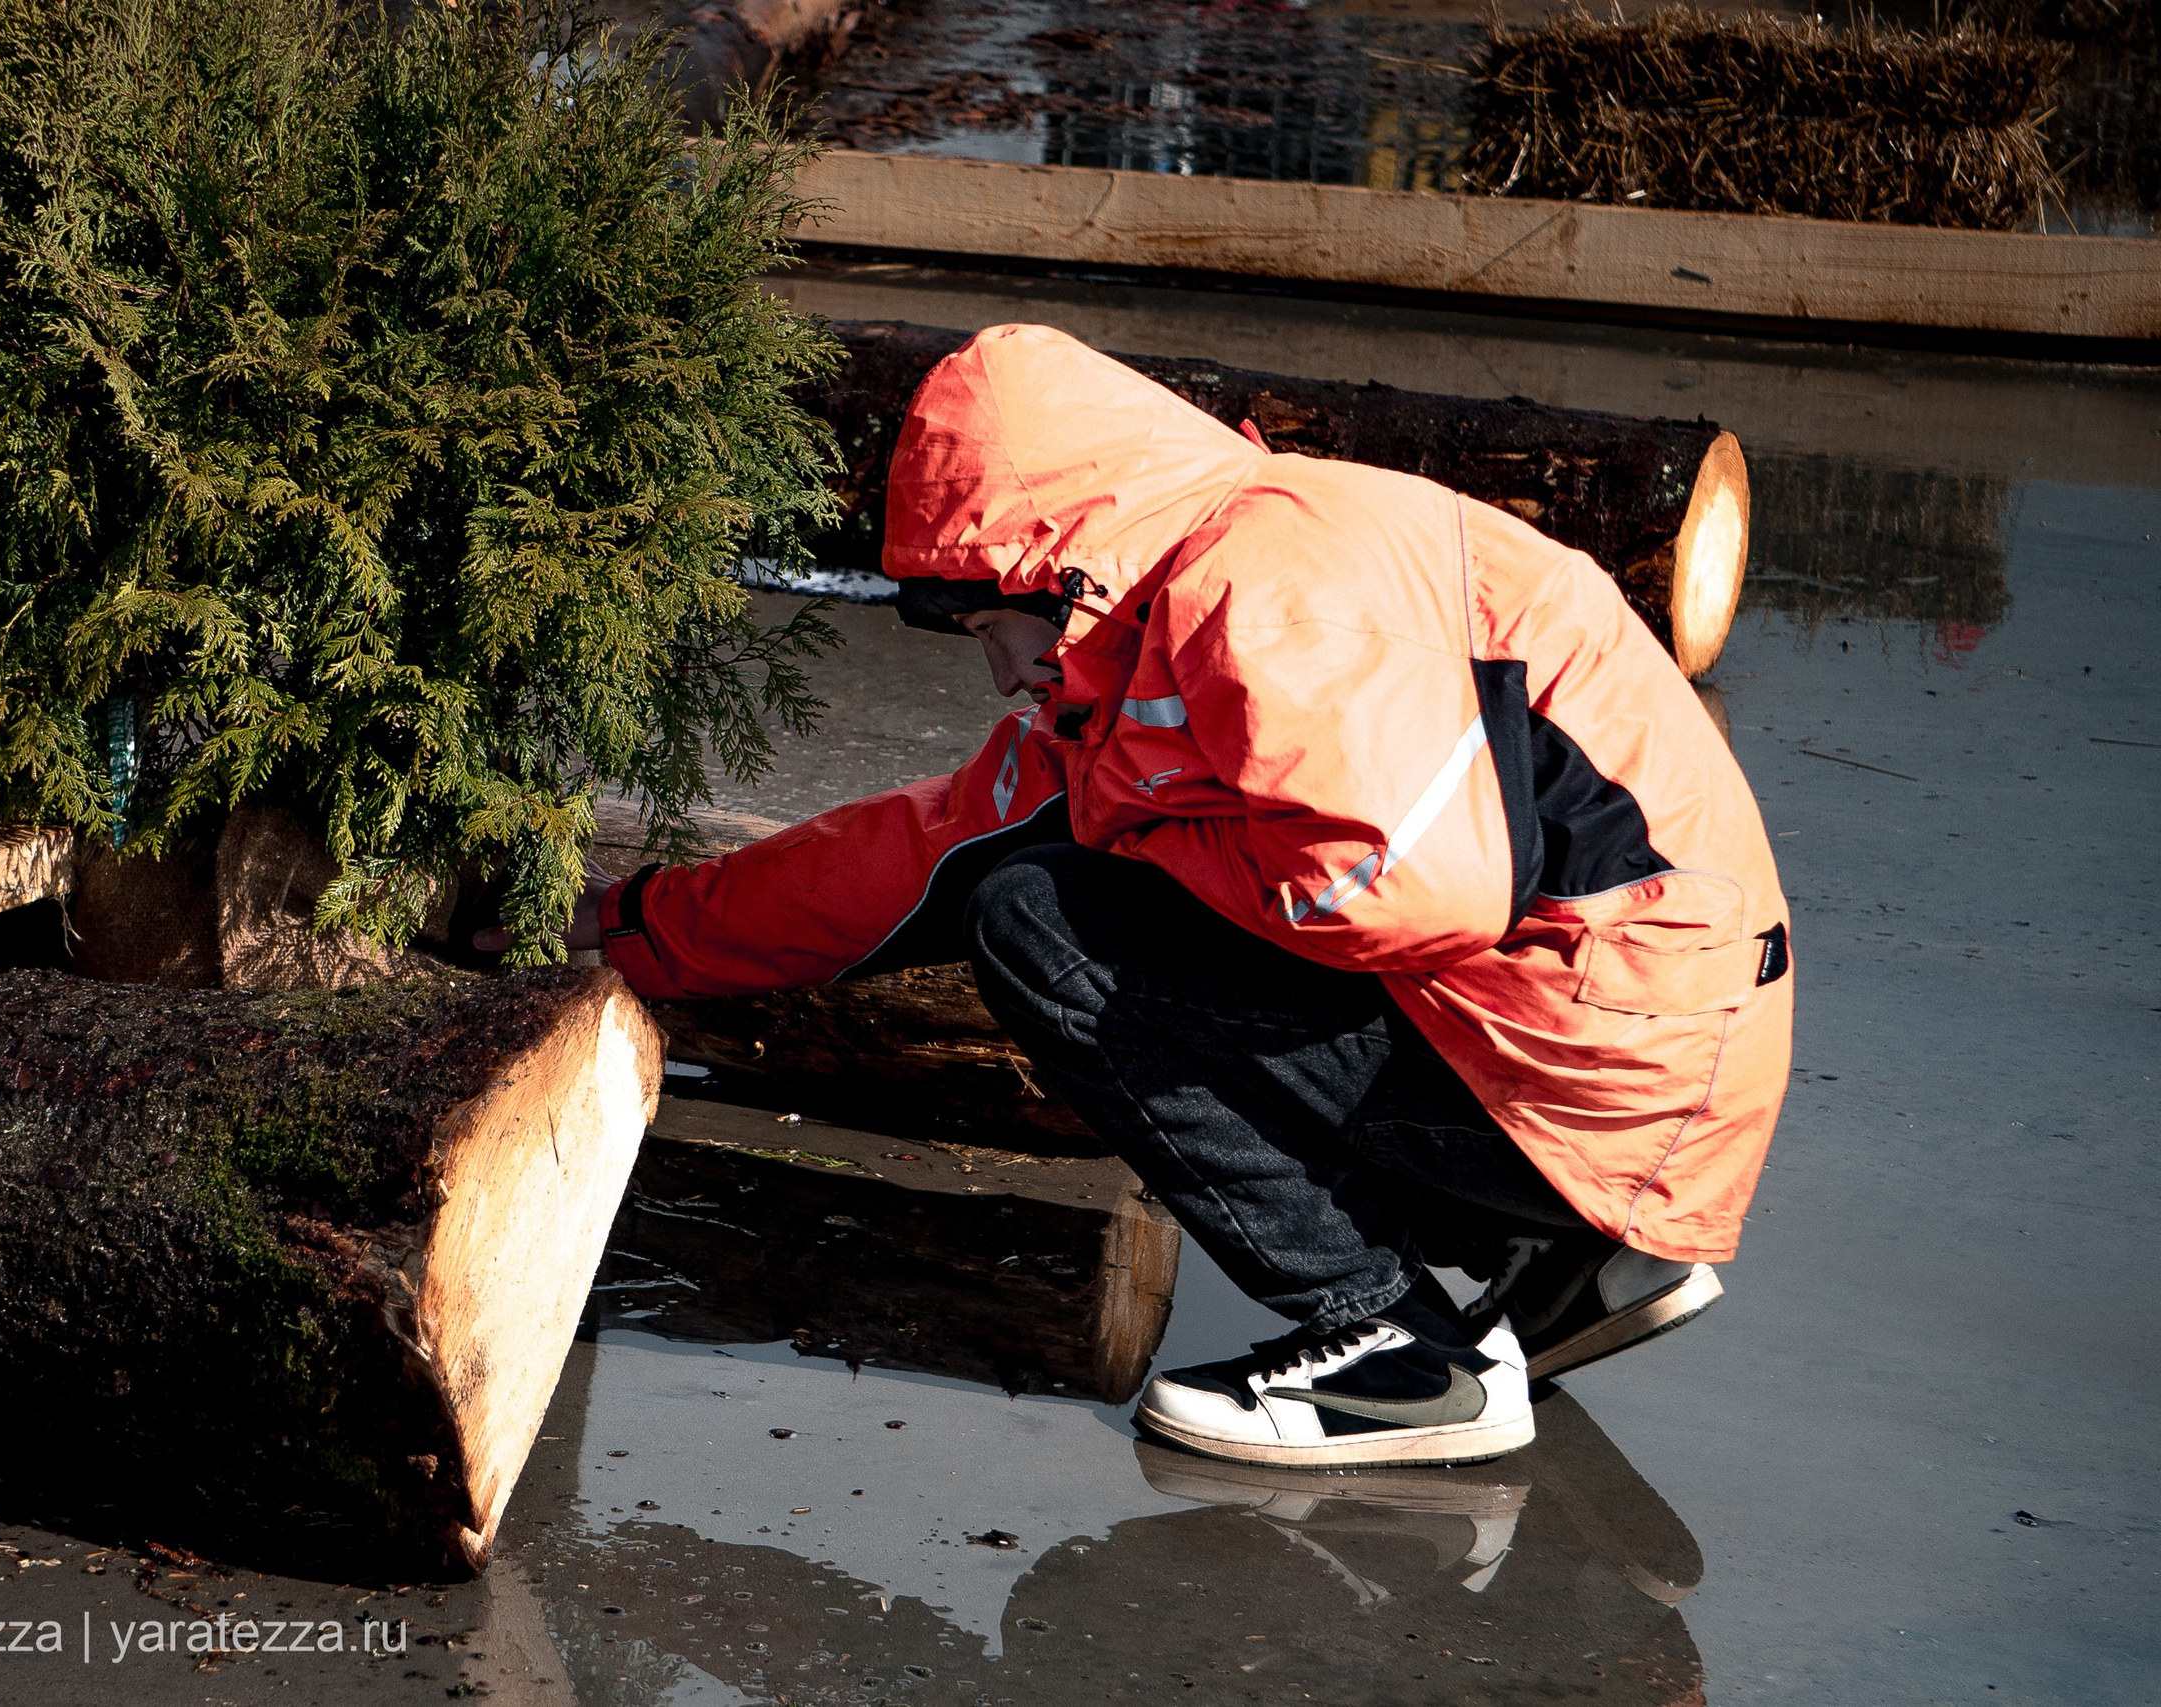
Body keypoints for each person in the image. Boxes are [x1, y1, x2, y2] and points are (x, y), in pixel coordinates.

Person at [496, 324, 1793, 1469]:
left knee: (1045, 926)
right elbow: (908, 856)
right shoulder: (1185, 595)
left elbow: (1408, 888)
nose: (998, 670)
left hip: (1610, 1074)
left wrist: (1138, 826)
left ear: (1039, 563)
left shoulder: (1263, 596)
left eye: (978, 626)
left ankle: (1396, 1350)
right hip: (1633, 1060)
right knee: (1016, 875)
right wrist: (619, 930)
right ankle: (1571, 1268)